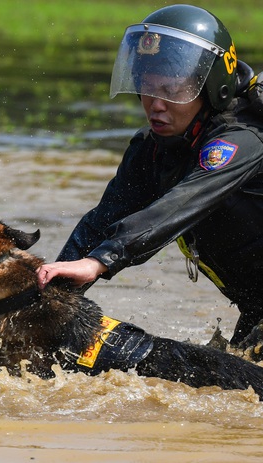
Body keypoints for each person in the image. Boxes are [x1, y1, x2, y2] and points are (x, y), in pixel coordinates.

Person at [36, 4, 263, 349]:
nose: (155, 104)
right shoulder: (152, 148)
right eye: (148, 88)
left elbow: (179, 204)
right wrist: (51, 293)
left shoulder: (243, 140)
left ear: (212, 89)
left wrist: (100, 262)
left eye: (173, 92)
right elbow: (103, 222)